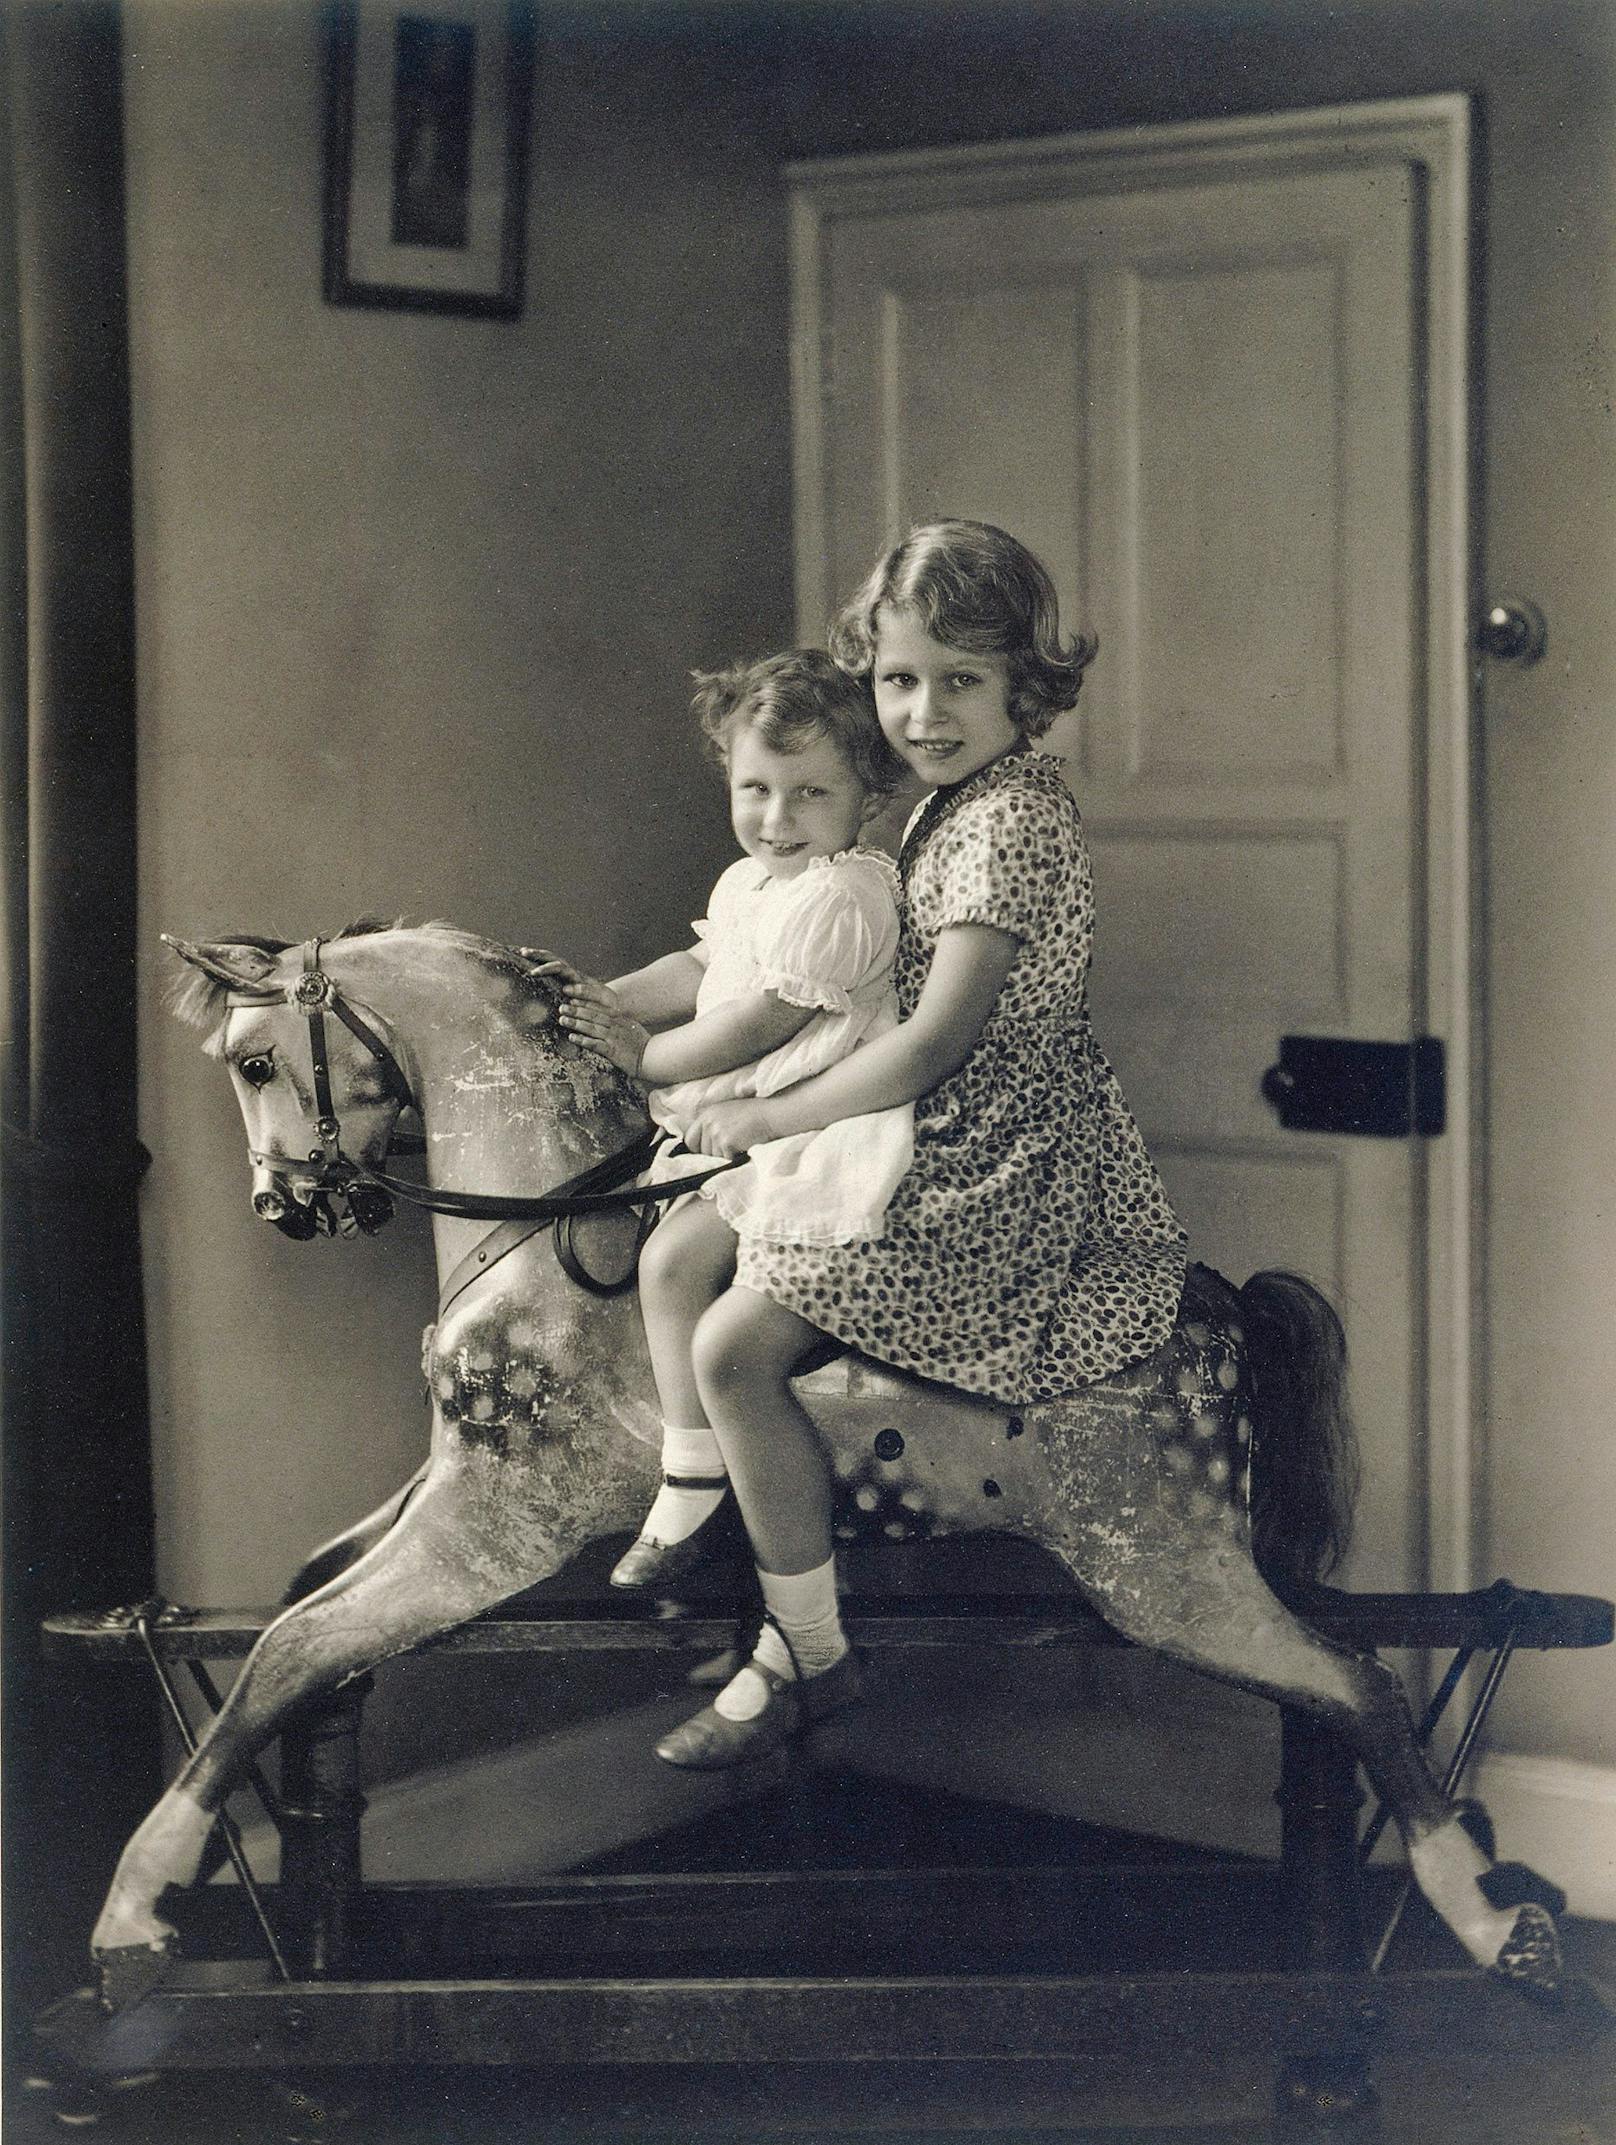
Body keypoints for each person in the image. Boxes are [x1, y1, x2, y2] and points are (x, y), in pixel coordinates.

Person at [646, 519, 1188, 1770]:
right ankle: (701, 1507)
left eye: (961, 680)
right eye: (897, 679)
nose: (923, 711)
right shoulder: (947, 805)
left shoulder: (1005, 825)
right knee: (678, 1238)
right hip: (921, 1124)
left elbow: (937, 1040)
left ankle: (806, 1653)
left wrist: (768, 1114)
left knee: (733, 1344)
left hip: (988, 1156)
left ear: (1023, 686)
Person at [542, 647, 915, 1592]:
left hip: (809, 1128)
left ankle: (692, 1481)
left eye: (807, 794)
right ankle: (692, 1449)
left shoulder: (849, 893)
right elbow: (707, 973)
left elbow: (759, 1023)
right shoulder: (751, 884)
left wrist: (642, 1059)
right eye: (756, 788)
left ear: (867, 795)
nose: (776, 819)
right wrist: (604, 1001)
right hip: (746, 1116)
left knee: (672, 1259)